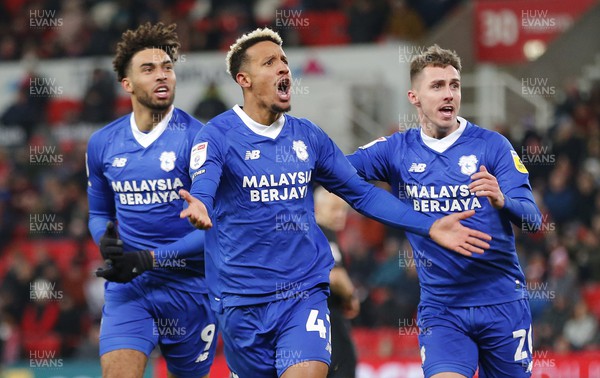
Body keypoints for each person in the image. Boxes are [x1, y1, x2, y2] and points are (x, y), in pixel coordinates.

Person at [178, 28, 491, 378]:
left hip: (303, 293)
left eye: (284, 61)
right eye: (270, 62)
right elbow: (204, 182)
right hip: (240, 302)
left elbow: (363, 192)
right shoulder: (217, 135)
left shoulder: (307, 136)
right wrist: (201, 203)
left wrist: (429, 224)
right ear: (244, 79)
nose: (283, 68)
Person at [346, 44, 542, 378]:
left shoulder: (492, 145)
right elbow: (338, 171)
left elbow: (533, 220)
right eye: (437, 86)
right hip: (443, 309)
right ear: (414, 97)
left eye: (454, 85)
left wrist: (502, 200)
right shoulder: (396, 150)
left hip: (502, 304)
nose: (448, 94)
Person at [86, 22, 217, 378]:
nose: (162, 76)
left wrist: (149, 259)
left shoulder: (200, 140)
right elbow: (98, 213)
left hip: (191, 289)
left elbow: (215, 230)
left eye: (167, 68)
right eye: (148, 69)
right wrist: (105, 239)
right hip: (130, 287)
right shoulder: (103, 143)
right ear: (126, 84)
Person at [314, 186, 359, 378]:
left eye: (343, 210)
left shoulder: (304, 233)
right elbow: (334, 275)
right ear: (316, 208)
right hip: (329, 319)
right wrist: (351, 296)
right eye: (333, 209)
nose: (340, 214)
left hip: (309, 321)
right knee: (343, 367)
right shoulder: (324, 233)